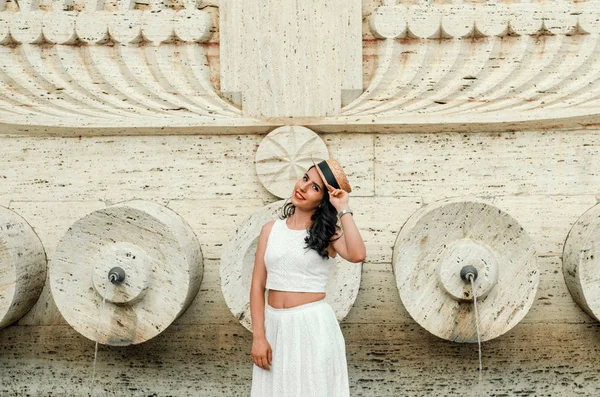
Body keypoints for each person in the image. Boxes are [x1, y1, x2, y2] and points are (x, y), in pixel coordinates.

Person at [249, 157, 366, 397]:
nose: (302, 187)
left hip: (311, 327)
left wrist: (342, 207)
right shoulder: (270, 229)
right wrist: (258, 336)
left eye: (315, 187)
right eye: (305, 178)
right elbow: (257, 285)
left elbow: (357, 254)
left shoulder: (329, 234)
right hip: (274, 327)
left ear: (323, 201)